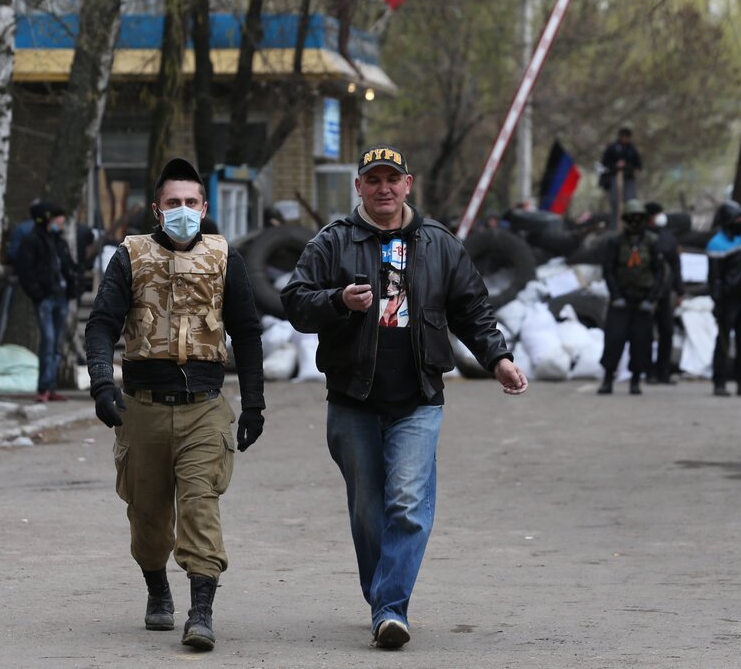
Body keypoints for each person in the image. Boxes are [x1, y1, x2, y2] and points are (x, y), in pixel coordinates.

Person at [281, 144, 529, 651]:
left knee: (408, 504)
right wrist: (337, 301)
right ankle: (382, 600)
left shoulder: (438, 243)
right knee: (369, 511)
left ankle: (391, 608)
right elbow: (295, 302)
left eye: (392, 179)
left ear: (408, 184)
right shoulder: (334, 241)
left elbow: (472, 309)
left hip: (419, 398)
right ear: (359, 188)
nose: (384, 188)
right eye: (373, 180)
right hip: (353, 397)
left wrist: (497, 358)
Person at [85, 158, 265, 651]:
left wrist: (254, 405)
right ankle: (156, 588)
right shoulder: (130, 256)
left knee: (200, 506)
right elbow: (101, 324)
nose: (183, 211)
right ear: (156, 210)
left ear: (204, 208)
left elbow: (247, 333)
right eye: (173, 203)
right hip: (141, 407)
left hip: (204, 406)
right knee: (147, 516)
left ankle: (201, 612)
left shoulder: (226, 258)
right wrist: (103, 383)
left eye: (191, 203)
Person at [598, 199, 664, 395]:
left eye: (639, 218)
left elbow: (659, 272)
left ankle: (635, 380)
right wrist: (615, 294)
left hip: (642, 298)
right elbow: (608, 269)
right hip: (621, 300)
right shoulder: (615, 242)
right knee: (614, 340)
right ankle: (608, 378)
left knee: (640, 342)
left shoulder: (652, 242)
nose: (635, 222)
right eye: (631, 218)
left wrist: (651, 299)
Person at [15, 202, 78, 403]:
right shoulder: (34, 241)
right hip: (46, 297)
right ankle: (44, 386)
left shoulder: (57, 241)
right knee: (48, 341)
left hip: (60, 296)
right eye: (58, 218)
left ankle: (50, 386)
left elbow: (67, 266)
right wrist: (38, 293)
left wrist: (72, 286)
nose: (61, 222)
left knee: (56, 343)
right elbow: (25, 271)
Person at [707, 200, 741, 397]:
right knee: (723, 343)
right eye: (738, 218)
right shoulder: (717, 244)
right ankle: (719, 382)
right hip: (727, 301)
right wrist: (717, 301)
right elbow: (714, 278)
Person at [644, 202, 684, 384]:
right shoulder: (642, 237)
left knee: (666, 332)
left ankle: (663, 371)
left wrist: (679, 291)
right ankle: (647, 371)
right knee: (645, 335)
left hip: (664, 295)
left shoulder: (668, 238)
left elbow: (675, 266)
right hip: (645, 294)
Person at [599, 127, 643, 217]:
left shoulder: (632, 149)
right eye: (624, 137)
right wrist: (616, 165)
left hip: (629, 178)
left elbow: (638, 163)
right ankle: (615, 225)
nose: (625, 139)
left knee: (630, 201)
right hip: (615, 177)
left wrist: (636, 170)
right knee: (615, 202)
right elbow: (604, 163)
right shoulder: (612, 148)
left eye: (627, 137)